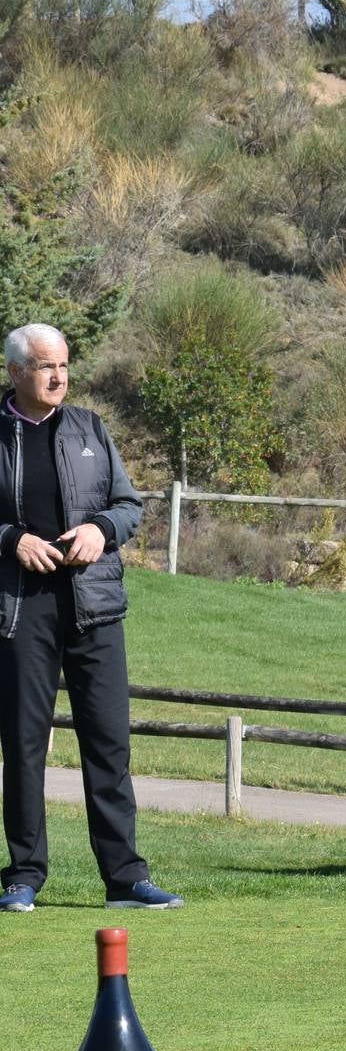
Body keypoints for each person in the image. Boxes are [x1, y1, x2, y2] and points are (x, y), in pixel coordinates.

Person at [0, 324, 180, 913]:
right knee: (24, 746)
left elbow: (128, 507)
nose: (59, 377)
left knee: (108, 742)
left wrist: (101, 530)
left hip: (94, 607)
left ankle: (125, 878)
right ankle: (24, 876)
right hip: (21, 609)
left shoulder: (90, 428)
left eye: (65, 367)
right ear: (15, 372)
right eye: (46, 367)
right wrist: (10, 539)